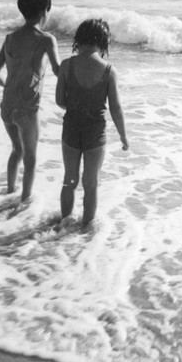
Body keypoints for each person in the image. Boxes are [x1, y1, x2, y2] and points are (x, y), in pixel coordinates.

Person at [0, 0, 60, 202]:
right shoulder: (46, 39)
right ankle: (24, 203)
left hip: (7, 106)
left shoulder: (10, 38)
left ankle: (9, 190)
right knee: (30, 159)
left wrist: (9, 87)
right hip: (27, 109)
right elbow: (58, 71)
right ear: (44, 11)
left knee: (16, 151)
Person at [56, 18, 129, 227]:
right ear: (103, 42)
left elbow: (60, 100)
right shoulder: (108, 70)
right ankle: (86, 229)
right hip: (95, 132)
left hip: (70, 128)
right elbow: (115, 107)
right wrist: (123, 136)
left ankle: (64, 222)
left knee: (70, 179)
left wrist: (76, 105)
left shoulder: (67, 65)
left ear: (78, 40)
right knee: (91, 183)